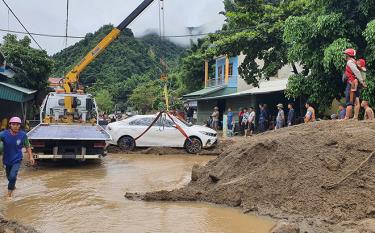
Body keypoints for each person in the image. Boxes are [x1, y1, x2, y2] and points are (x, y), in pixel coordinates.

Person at [0, 117, 35, 197]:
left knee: (12, 175)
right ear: (10, 125)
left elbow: (27, 146)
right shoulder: (3, 134)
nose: (16, 126)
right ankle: (13, 186)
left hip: (17, 159)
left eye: (18, 124)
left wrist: (31, 157)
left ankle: (9, 195)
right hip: (7, 160)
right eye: (14, 124)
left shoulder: (22, 135)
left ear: (20, 126)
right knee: (9, 177)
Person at [343, 48, 366, 120]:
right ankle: (355, 117)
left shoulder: (349, 62)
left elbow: (357, 72)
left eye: (345, 54)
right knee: (356, 99)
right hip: (355, 82)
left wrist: (362, 81)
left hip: (351, 82)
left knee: (349, 100)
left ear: (348, 55)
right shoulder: (354, 61)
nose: (344, 56)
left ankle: (346, 117)